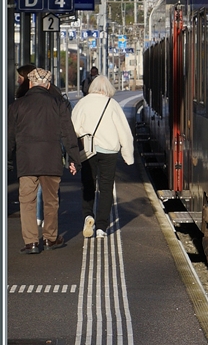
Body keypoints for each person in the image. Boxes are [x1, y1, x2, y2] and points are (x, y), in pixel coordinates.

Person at [8, 68, 81, 254]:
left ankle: (31, 242)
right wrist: (74, 158)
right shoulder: (59, 103)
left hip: (26, 161)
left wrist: (7, 160)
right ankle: (50, 238)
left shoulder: (17, 105)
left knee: (27, 201)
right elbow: (68, 133)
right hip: (51, 159)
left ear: (30, 83)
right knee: (51, 201)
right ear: (48, 85)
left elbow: (9, 136)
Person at [71, 74, 134, 239]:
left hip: (87, 151)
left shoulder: (82, 103)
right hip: (109, 152)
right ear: (108, 89)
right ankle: (101, 227)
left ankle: (88, 215)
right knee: (106, 188)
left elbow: (73, 129)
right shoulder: (112, 104)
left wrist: (70, 154)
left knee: (88, 184)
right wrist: (128, 155)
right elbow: (124, 132)